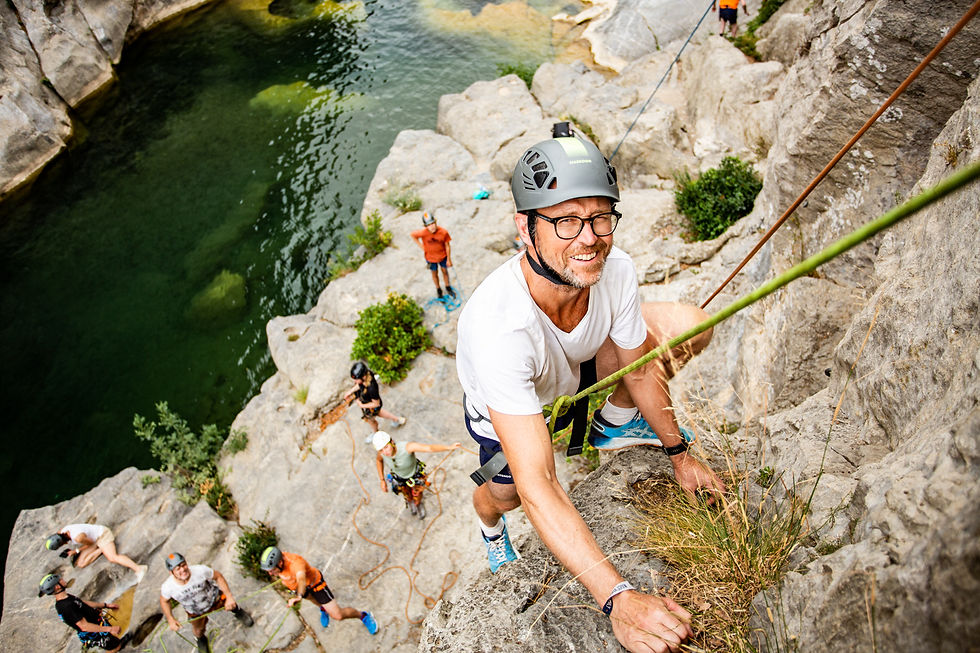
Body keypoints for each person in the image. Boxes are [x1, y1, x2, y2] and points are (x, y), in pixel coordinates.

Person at [455, 127, 726, 653]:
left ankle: (615, 425)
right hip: (513, 406)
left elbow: (641, 366)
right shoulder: (497, 327)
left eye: (601, 217)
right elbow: (540, 483)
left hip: (576, 371)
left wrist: (680, 454)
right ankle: (488, 528)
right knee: (506, 494)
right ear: (524, 229)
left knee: (688, 323)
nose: (589, 238)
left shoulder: (614, 271)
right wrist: (617, 597)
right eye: (565, 220)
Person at [259, 546, 378, 634]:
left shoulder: (295, 563)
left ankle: (363, 616)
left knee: (338, 615)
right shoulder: (278, 565)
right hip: (300, 590)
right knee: (315, 601)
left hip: (316, 585)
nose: (270, 573)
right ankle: (323, 608)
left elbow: (301, 579)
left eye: (272, 570)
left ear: (280, 562)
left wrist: (299, 596)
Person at [159, 552, 254, 653]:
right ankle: (201, 639)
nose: (183, 570)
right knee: (198, 630)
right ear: (171, 572)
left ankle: (237, 611)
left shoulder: (200, 570)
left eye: (183, 565)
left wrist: (229, 597)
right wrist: (170, 619)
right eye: (178, 569)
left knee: (230, 604)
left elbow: (218, 576)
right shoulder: (168, 587)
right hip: (195, 611)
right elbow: (164, 601)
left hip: (213, 598)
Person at [372, 430, 462, 517]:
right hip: (399, 478)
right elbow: (378, 460)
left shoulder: (406, 447)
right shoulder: (382, 454)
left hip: (415, 475)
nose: (385, 452)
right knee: (406, 494)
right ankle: (410, 502)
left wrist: (449, 447)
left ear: (392, 442)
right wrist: (382, 480)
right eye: (381, 450)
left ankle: (418, 504)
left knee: (417, 494)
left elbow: (429, 448)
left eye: (386, 447)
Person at [39, 573, 131, 651]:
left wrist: (105, 605)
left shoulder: (66, 598)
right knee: (114, 647)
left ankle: (117, 643)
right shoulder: (66, 607)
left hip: (97, 624)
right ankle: (117, 647)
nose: (63, 580)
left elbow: (82, 603)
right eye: (60, 580)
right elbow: (84, 626)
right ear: (57, 586)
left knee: (114, 641)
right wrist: (109, 629)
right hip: (94, 631)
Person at [45, 524, 147, 582]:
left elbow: (91, 543)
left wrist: (75, 551)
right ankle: (102, 550)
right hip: (94, 540)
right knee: (81, 564)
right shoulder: (62, 531)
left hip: (102, 536)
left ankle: (139, 568)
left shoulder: (78, 537)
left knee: (112, 557)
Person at [344, 361, 407, 441]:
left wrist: (362, 405)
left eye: (356, 379)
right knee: (380, 413)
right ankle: (397, 419)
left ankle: (375, 433)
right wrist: (350, 391)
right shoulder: (367, 375)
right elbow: (359, 385)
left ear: (363, 377)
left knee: (372, 421)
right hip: (370, 404)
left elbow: (376, 404)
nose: (355, 382)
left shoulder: (371, 389)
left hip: (371, 407)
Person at [410, 212, 455, 299]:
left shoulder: (443, 232)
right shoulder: (423, 233)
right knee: (434, 273)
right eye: (429, 225)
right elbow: (413, 235)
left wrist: (449, 259)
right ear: (425, 226)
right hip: (430, 258)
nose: (432, 226)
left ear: (435, 222)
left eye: (432, 223)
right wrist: (422, 247)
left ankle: (447, 286)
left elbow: (447, 245)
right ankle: (438, 289)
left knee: (445, 271)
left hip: (442, 256)